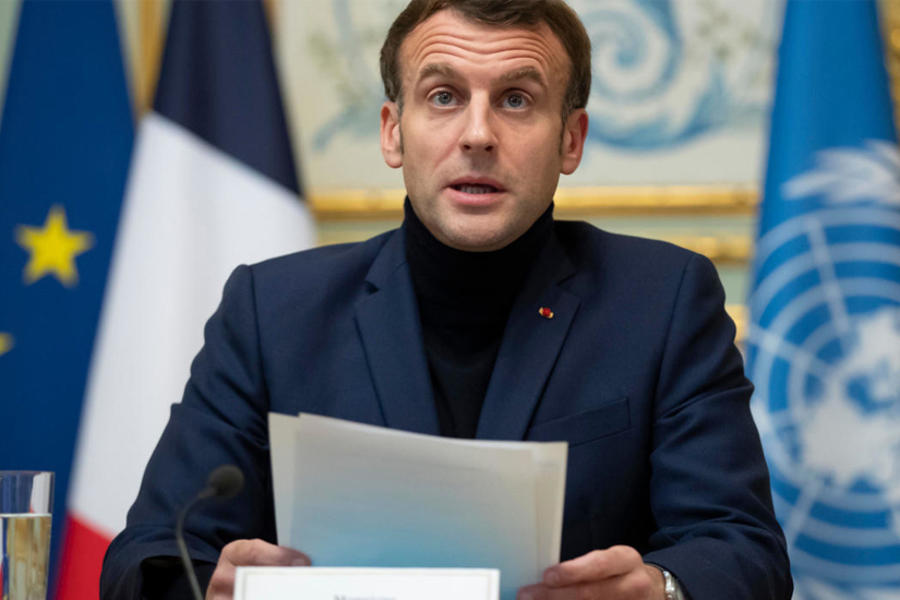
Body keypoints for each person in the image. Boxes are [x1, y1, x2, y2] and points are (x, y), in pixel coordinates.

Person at [100, 1, 792, 599]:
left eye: (517, 98)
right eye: (443, 96)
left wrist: (659, 588)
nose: (479, 134)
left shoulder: (663, 301)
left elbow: (744, 551)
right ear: (392, 131)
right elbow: (146, 555)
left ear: (571, 139)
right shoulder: (271, 311)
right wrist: (209, 584)